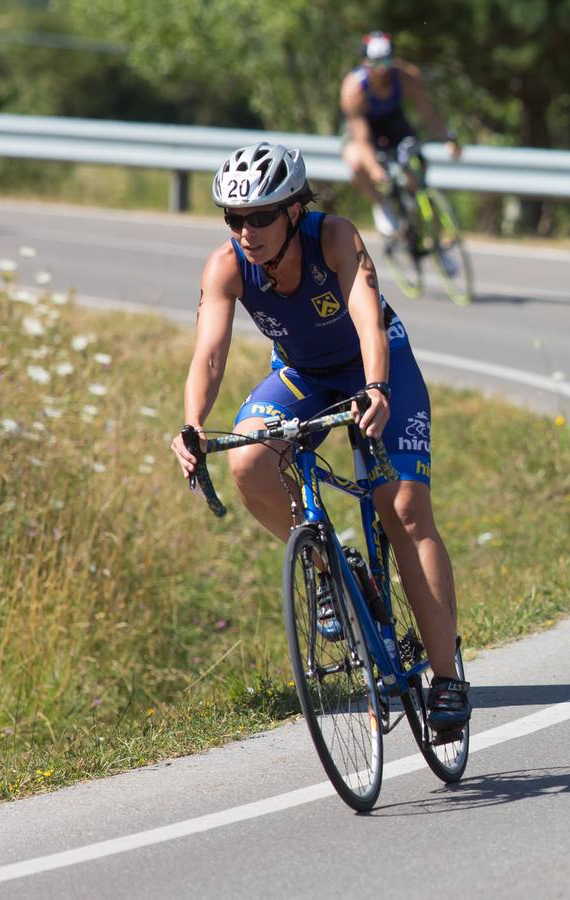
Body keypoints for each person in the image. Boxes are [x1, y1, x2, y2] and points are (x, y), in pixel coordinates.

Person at [169, 142, 470, 732]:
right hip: (303, 375)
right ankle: (332, 567)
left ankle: (447, 678)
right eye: (234, 218)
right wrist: (194, 425)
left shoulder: (333, 237)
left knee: (404, 509)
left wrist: (379, 389)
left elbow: (367, 318)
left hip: (378, 366)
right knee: (249, 462)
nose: (246, 230)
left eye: (260, 216)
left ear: (293, 209)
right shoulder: (227, 266)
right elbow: (210, 354)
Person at [340, 31, 461, 239]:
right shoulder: (354, 88)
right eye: (376, 64)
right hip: (364, 128)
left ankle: (429, 235)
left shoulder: (406, 76)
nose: (382, 70)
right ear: (365, 63)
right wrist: (374, 168)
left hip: (393, 121)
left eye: (387, 62)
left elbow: (428, 113)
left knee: (415, 169)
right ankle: (382, 205)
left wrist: (448, 138)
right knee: (357, 163)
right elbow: (361, 138)